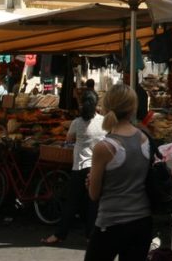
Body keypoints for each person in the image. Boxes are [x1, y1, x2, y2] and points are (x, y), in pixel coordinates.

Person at [85, 83, 152, 261]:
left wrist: (92, 182)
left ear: (106, 108)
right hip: (142, 221)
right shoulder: (144, 138)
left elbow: (94, 194)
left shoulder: (105, 147)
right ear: (133, 108)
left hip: (111, 222)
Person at [42, 95, 105, 246]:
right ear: (96, 105)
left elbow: (69, 140)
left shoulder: (77, 123)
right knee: (92, 204)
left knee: (72, 203)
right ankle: (90, 236)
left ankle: (60, 234)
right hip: (96, 167)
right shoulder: (103, 121)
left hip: (80, 167)